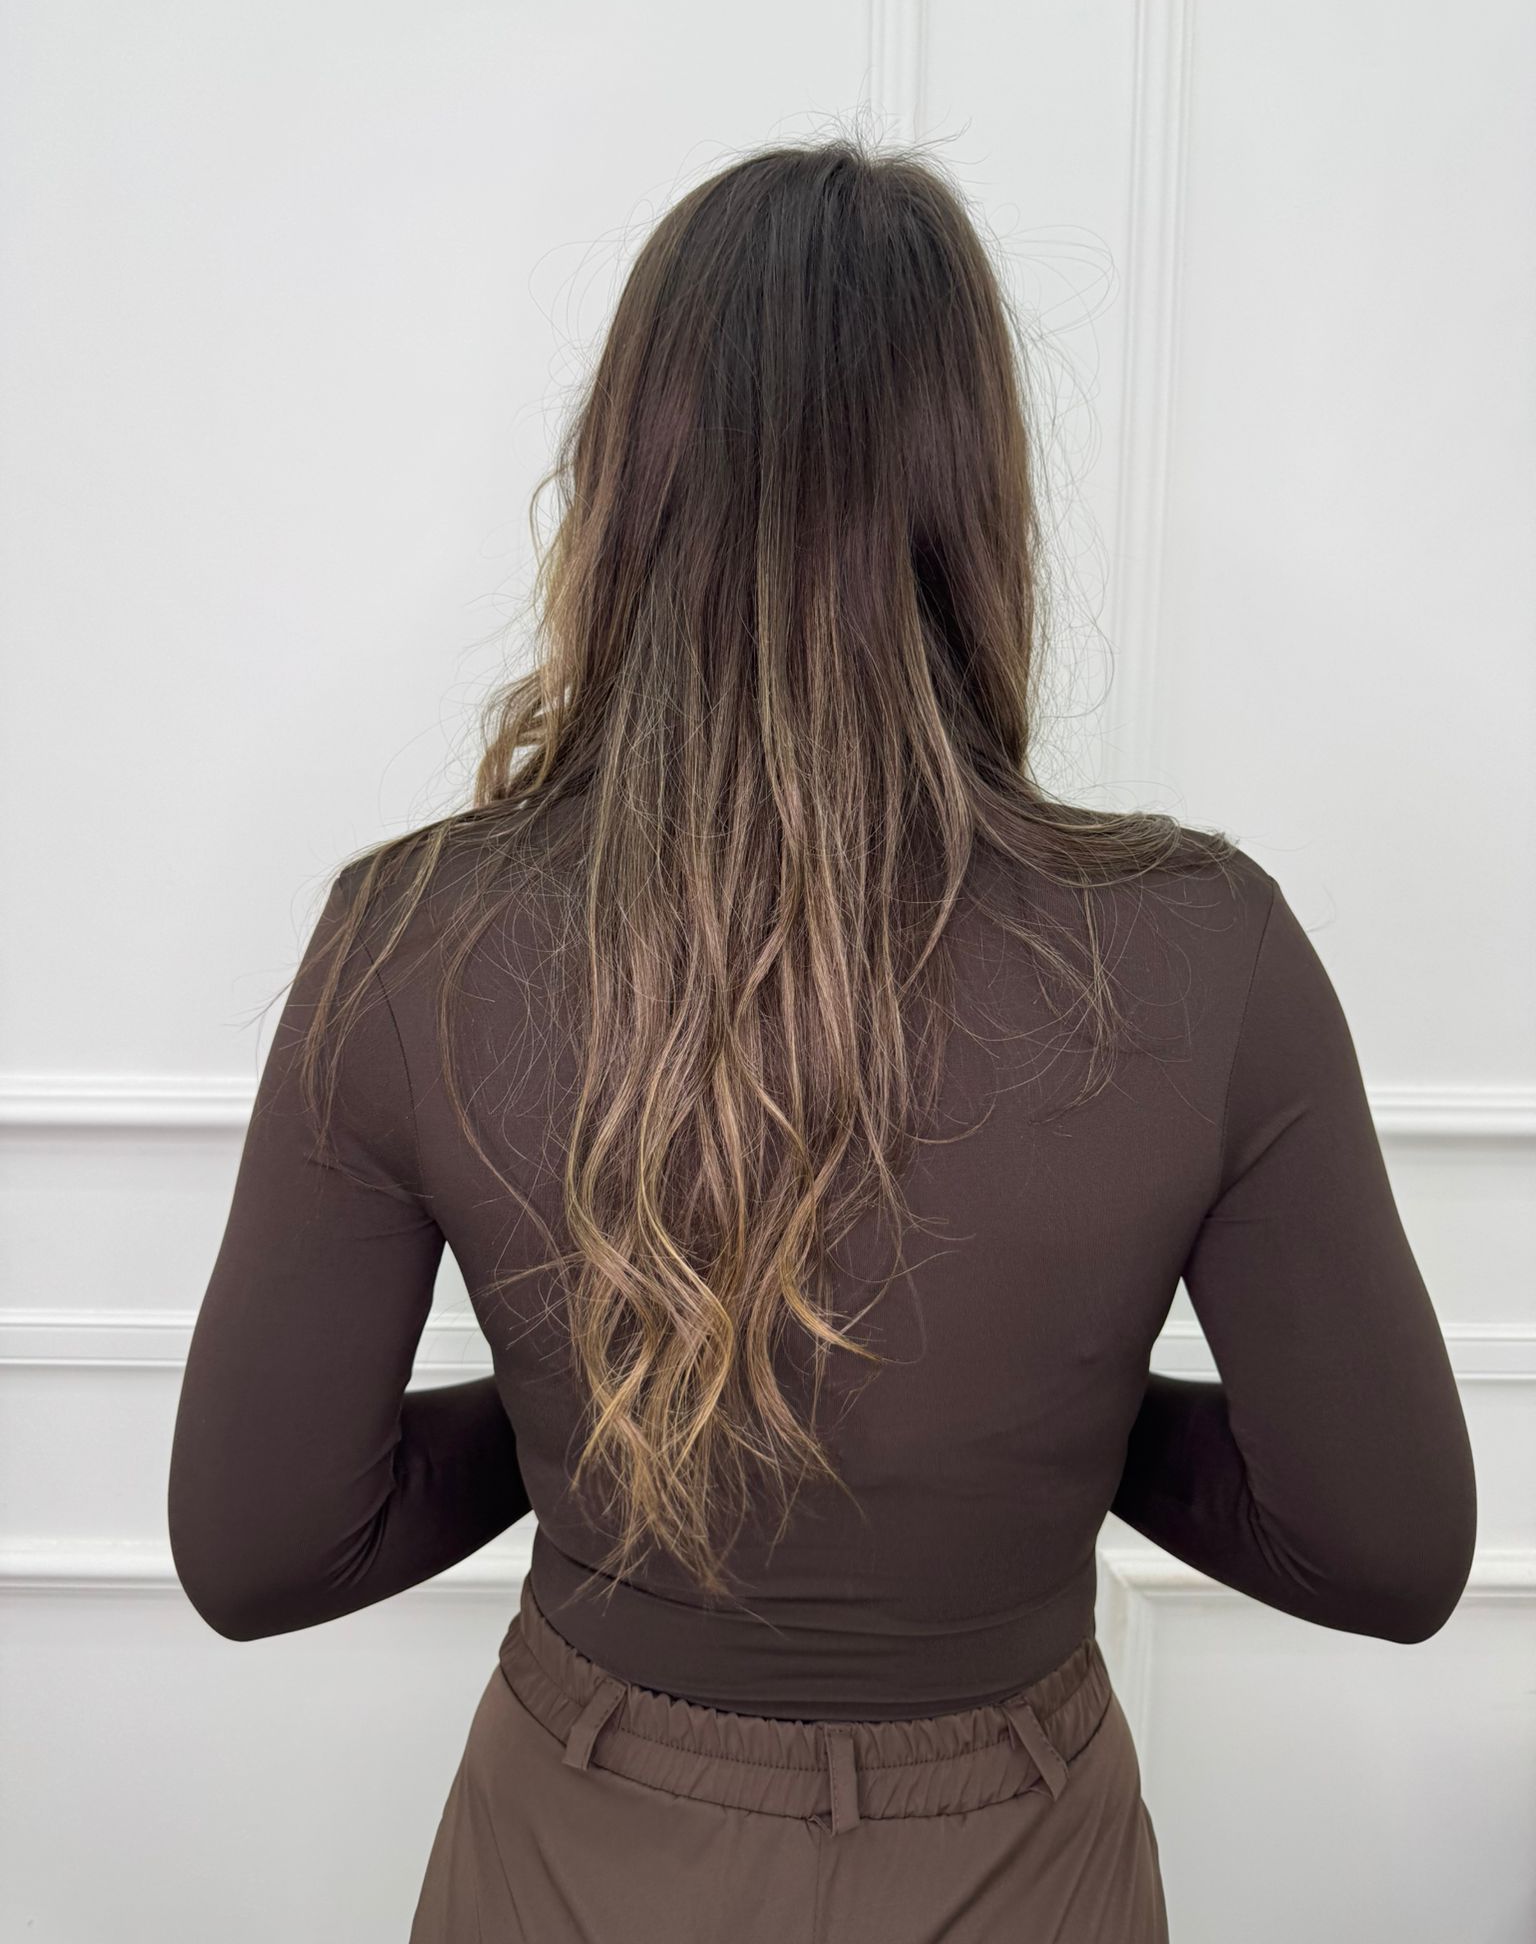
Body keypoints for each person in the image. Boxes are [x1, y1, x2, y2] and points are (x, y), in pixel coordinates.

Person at [166, 139, 1477, 1943]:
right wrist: (1060, 1422)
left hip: (573, 1854)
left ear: (623, 483)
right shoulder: (1202, 945)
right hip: (1021, 1869)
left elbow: (259, 1550)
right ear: (978, 503)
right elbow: (1387, 1551)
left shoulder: (414, 936)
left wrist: (596, 1427)